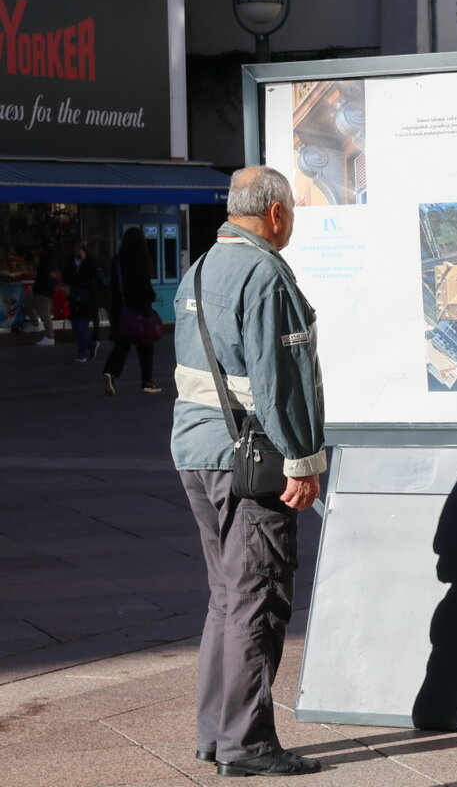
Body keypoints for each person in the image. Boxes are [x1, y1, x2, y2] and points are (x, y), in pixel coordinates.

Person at [170, 166, 325, 778]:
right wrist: (304, 460)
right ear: (277, 213)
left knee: (226, 599)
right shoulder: (265, 273)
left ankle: (216, 735)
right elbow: (279, 382)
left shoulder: (201, 266)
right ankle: (248, 744)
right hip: (251, 461)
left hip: (197, 453)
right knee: (257, 601)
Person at [102, 227, 161, 394]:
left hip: (122, 310)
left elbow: (113, 286)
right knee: (146, 346)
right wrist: (151, 297)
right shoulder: (143, 259)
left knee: (121, 345)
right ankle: (147, 381)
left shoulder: (117, 260)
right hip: (140, 309)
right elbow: (145, 286)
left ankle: (110, 372)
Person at [64, 240, 104, 362]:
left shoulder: (91, 261)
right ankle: (90, 344)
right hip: (75, 296)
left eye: (78, 249)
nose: (76, 251)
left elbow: (94, 273)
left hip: (87, 298)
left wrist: (85, 260)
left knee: (82, 326)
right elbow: (68, 276)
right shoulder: (71, 261)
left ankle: (82, 353)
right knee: (76, 326)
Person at [30, 243, 57, 346]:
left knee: (45, 314)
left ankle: (50, 336)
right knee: (30, 304)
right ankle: (34, 324)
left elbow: (45, 275)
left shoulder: (46, 261)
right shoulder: (50, 261)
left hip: (43, 291)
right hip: (42, 290)